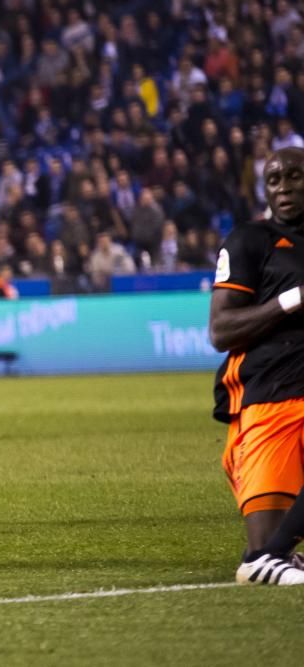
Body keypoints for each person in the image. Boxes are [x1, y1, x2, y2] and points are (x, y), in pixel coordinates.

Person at [209, 146, 304, 585]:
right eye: (274, 180)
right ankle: (272, 555)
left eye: (294, 176)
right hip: (271, 397)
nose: (284, 187)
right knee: (263, 546)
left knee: (270, 553)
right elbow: (221, 330)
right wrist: (291, 300)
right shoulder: (251, 240)